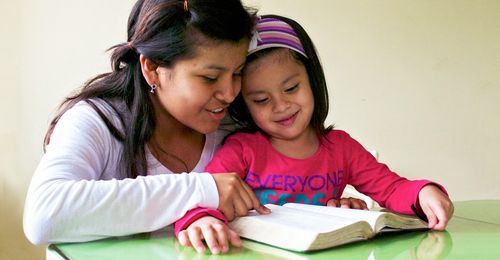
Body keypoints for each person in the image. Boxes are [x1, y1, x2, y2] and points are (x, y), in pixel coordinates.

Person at [175, 15, 455, 254]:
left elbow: (392, 188)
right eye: (261, 100)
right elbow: (199, 199)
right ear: (244, 105)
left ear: (312, 80)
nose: (281, 106)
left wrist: (424, 193)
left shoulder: (341, 147)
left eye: (291, 88)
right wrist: (199, 221)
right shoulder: (242, 149)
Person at [23, 0, 271, 245]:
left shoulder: (235, 129)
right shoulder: (98, 121)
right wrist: (202, 189)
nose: (229, 93)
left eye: (237, 72)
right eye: (210, 77)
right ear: (152, 68)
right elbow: (44, 215)